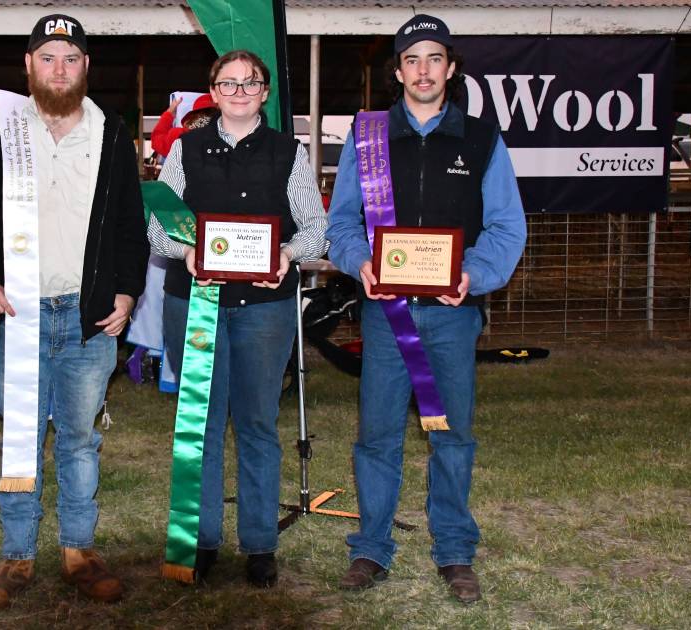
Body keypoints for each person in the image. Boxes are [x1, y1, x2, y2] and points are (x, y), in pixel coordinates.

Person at [324, 14, 527, 603]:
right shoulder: (367, 138)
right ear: (397, 71)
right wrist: (360, 261)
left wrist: (475, 275)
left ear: (451, 69)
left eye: (434, 59)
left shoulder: (482, 139)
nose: (423, 70)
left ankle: (456, 550)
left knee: (451, 435)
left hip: (452, 315)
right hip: (386, 317)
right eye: (412, 60)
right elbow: (342, 224)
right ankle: (371, 548)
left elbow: (506, 227)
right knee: (378, 436)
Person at [0, 13, 149, 609]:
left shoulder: (113, 132)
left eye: (70, 59)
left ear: (86, 67)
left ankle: (79, 552)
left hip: (87, 318)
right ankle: (16, 558)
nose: (59, 69)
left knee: (78, 441)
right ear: (28, 66)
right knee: (18, 438)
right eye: (47, 58)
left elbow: (129, 225)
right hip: (17, 313)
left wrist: (125, 292)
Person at [147, 49, 328, 588]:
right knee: (200, 426)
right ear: (214, 90)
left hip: (266, 309)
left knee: (255, 424)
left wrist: (288, 256)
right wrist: (186, 253)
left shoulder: (287, 152)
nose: (241, 91)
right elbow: (159, 225)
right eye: (229, 83)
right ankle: (199, 541)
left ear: (265, 92)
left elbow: (315, 228)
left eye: (251, 82)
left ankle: (259, 545)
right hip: (195, 302)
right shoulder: (185, 148)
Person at [149, 93, 216, 157]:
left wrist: (169, 113)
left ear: (193, 116)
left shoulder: (179, 136)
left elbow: (156, 140)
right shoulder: (223, 135)